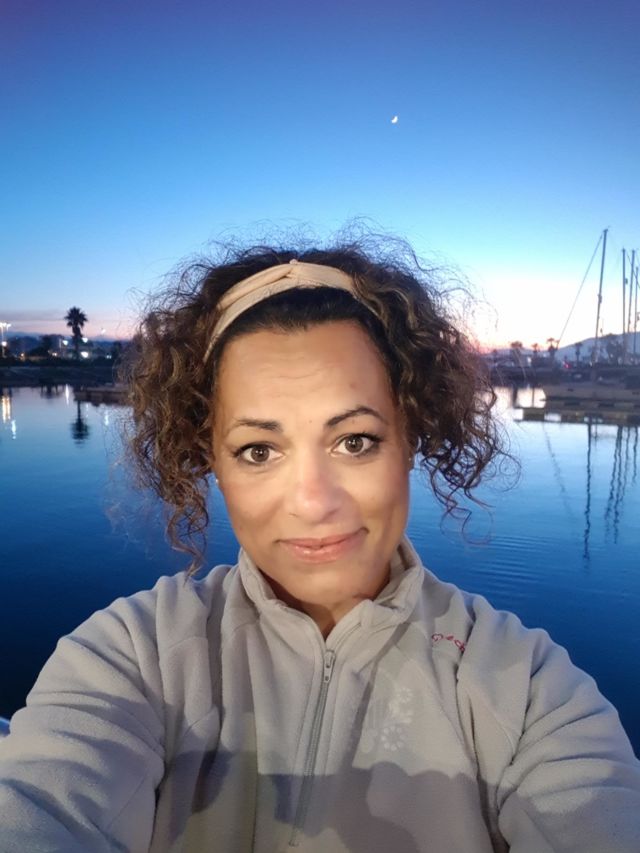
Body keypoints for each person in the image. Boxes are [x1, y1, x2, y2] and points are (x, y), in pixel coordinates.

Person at [1, 236, 639, 853]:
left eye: (354, 441)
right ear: (210, 461)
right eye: (259, 450)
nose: (312, 501)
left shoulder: (527, 687)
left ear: (410, 438)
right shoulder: (135, 655)